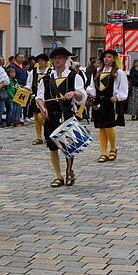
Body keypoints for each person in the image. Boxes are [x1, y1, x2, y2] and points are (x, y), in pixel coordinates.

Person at [35, 47, 87, 187]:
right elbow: (39, 97)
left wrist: (74, 94)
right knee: (52, 146)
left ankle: (69, 170)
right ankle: (58, 176)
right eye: (55, 58)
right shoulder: (46, 79)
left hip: (66, 115)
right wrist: (43, 107)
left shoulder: (74, 76)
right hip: (51, 116)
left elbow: (82, 96)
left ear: (65, 60)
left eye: (60, 58)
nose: (57, 60)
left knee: (68, 145)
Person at [87, 50, 127, 163]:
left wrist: (117, 97)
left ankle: (113, 148)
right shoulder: (97, 71)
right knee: (101, 127)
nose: (107, 59)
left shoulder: (119, 72)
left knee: (109, 126)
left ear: (113, 59)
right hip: (99, 102)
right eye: (105, 57)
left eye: (109, 57)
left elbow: (123, 89)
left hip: (110, 102)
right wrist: (89, 92)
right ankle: (103, 152)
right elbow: (92, 86)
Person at [27, 54, 50, 144]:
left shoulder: (50, 71)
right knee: (36, 117)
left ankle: (48, 133)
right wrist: (26, 89)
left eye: (42, 60)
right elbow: (29, 84)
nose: (40, 62)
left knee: (43, 117)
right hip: (36, 96)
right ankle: (39, 137)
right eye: (39, 61)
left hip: (47, 97)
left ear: (46, 62)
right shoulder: (33, 72)